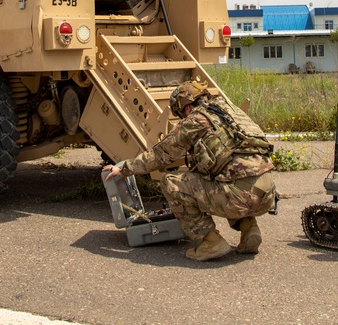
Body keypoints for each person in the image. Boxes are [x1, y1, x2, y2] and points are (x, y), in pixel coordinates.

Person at [104, 80, 276, 262]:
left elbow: (160, 155)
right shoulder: (232, 112)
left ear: (186, 108)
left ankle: (211, 242)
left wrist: (124, 168)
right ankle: (250, 229)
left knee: (171, 183)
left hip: (237, 198)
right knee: (227, 175)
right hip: (267, 195)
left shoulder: (195, 120)